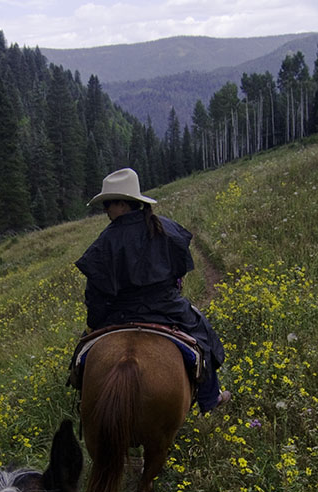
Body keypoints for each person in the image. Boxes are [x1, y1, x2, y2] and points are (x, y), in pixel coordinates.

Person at [74, 167, 230, 413]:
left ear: (123, 205)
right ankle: (210, 399)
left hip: (120, 314)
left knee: (81, 356)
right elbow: (180, 270)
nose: (105, 211)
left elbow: (96, 294)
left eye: (108, 205)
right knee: (203, 336)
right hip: (167, 308)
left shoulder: (105, 241)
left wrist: (93, 322)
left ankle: (83, 403)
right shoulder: (165, 228)